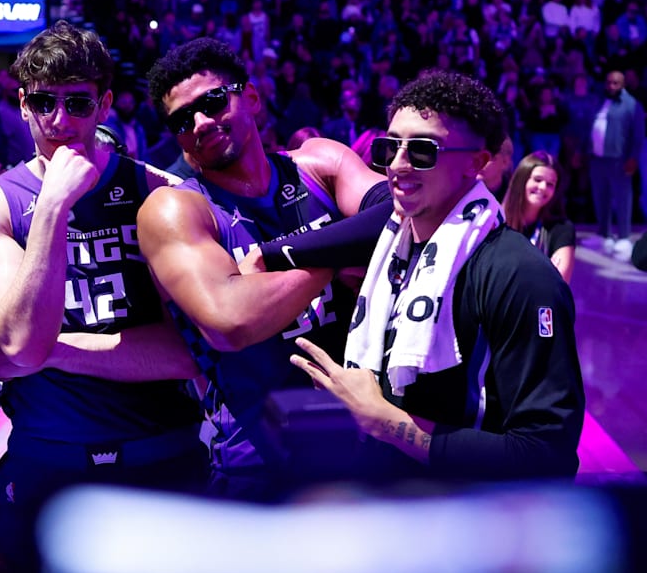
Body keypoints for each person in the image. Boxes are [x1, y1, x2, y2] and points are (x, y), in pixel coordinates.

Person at [0, 20, 206, 573]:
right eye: (44, 102)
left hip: (159, 456)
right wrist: (52, 208)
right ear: (22, 104)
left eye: (77, 103)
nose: (60, 121)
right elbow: (20, 338)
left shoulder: (161, 193)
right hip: (49, 462)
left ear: (105, 105)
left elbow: (186, 352)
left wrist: (49, 352)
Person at [289, 69, 584, 482]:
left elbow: (545, 456)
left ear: (477, 163)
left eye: (422, 151)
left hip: (470, 527)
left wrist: (386, 421)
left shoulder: (522, 276)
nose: (397, 164)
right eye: (389, 148)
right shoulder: (392, 254)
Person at [140, 37, 391, 499]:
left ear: (250, 97)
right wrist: (338, 256)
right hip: (259, 461)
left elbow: (403, 214)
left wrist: (278, 259)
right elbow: (231, 322)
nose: (199, 122)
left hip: (368, 435)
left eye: (212, 101)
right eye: (180, 120)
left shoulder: (320, 164)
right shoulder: (177, 210)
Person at [586, 70, 644, 262]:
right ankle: (604, 234)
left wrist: (633, 158)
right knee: (600, 196)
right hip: (598, 158)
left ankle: (624, 237)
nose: (611, 86)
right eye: (609, 82)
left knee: (622, 198)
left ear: (623, 84)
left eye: (616, 83)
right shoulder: (599, 101)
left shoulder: (631, 105)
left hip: (619, 159)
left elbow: (637, 135)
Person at [502, 151, 576, 283]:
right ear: (521, 180)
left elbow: (559, 285)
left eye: (550, 184)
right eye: (537, 180)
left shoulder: (561, 229)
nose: (543, 187)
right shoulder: (497, 221)